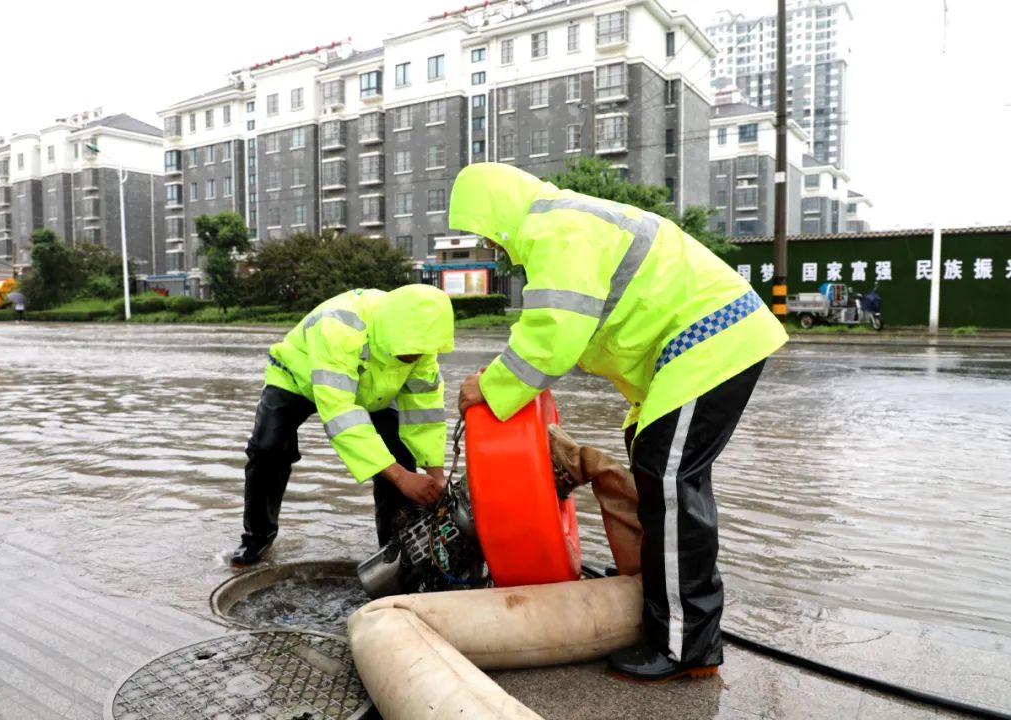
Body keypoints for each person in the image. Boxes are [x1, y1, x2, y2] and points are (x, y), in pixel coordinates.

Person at [449, 163, 788, 682]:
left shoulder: (556, 229)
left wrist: (489, 386)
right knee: (652, 465)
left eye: (486, 234)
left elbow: (552, 334)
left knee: (671, 484)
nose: (492, 246)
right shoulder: (565, 226)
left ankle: (684, 646)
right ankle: (660, 600)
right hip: (688, 352)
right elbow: (571, 330)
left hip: (710, 340)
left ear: (495, 213)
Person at [231, 284, 453, 567]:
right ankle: (257, 537)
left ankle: (394, 548)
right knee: (268, 448)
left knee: (401, 457)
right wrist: (399, 476)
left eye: (420, 354)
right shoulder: (339, 327)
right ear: (391, 332)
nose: (415, 359)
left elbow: (426, 412)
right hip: (298, 378)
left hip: (375, 390)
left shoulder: (422, 344)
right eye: (408, 353)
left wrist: (436, 475)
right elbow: (340, 412)